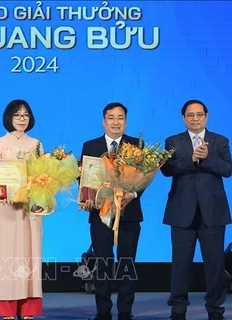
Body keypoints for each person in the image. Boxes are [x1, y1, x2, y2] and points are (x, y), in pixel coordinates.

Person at [161, 99, 232, 320]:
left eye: (199, 114)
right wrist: (192, 159)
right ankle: (178, 309)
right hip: (181, 212)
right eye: (190, 115)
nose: (195, 118)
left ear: (206, 116)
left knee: (214, 265)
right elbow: (167, 170)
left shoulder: (220, 141)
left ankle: (215, 309)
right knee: (180, 264)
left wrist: (207, 158)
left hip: (213, 213)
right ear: (183, 118)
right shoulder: (173, 141)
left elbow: (229, 169)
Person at [80, 102, 143, 320]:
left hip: (129, 213)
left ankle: (126, 310)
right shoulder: (91, 146)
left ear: (125, 121)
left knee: (127, 263)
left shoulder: (137, 145)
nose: (116, 122)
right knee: (102, 263)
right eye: (111, 117)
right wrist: (87, 199)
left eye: (120, 118)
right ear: (103, 121)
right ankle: (103, 310)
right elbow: (85, 179)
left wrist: (131, 195)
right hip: (100, 214)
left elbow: (143, 179)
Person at [0, 99, 43, 320]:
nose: (22, 119)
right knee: (6, 255)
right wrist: (7, 194)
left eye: (26, 115)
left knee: (30, 255)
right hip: (5, 209)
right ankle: (7, 310)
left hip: (29, 208)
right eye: (17, 115)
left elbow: (42, 176)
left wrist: (34, 188)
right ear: (9, 117)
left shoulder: (37, 144)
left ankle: (28, 309)